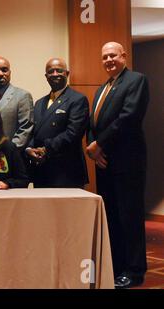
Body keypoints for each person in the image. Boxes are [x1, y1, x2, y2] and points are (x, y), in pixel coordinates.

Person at [86, 42, 149, 288]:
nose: (109, 60)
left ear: (124, 56)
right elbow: (94, 123)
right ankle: (117, 267)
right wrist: (93, 146)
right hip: (104, 164)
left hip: (128, 163)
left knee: (129, 218)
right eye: (104, 57)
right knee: (111, 217)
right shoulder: (101, 89)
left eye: (113, 55)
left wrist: (99, 144)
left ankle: (134, 272)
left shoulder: (136, 80)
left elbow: (129, 117)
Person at [26, 58, 89, 188]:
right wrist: (29, 149)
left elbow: (73, 133)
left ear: (67, 73)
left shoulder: (78, 99)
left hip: (66, 171)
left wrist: (46, 149)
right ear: (46, 76)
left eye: (59, 71)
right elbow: (34, 132)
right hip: (41, 170)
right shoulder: (39, 103)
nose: (55, 74)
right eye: (51, 71)